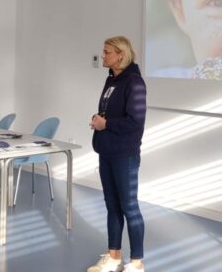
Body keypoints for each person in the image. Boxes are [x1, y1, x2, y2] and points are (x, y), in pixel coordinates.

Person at [87, 36, 147, 272]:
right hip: (107, 151)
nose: (103, 56)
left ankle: (136, 263)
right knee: (112, 205)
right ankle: (113, 258)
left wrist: (106, 124)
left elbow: (135, 121)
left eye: (107, 52)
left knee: (129, 207)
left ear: (121, 54)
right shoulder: (111, 79)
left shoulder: (134, 82)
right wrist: (99, 120)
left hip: (125, 155)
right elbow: (109, 113)